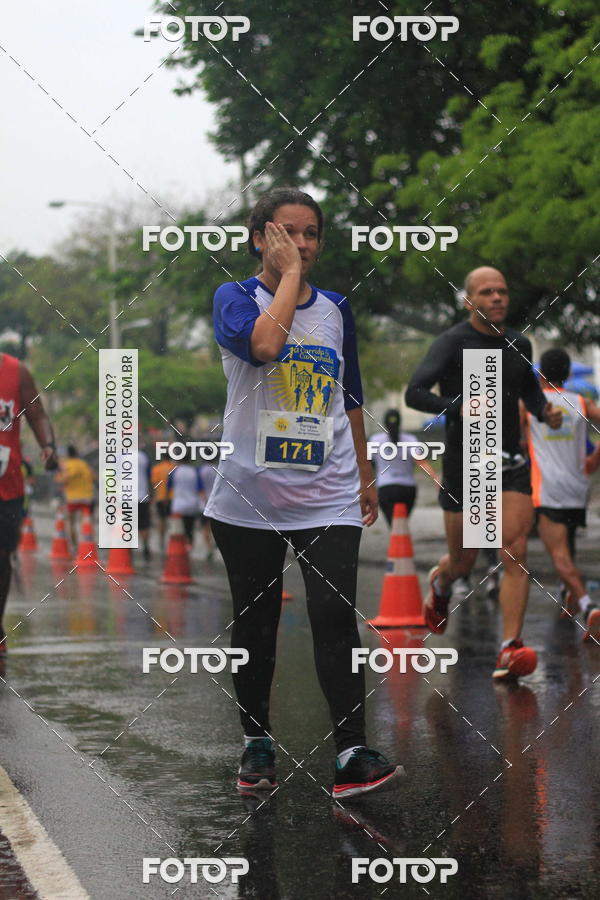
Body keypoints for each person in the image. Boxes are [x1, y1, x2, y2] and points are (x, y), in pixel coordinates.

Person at [204, 187, 403, 798]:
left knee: (334, 615)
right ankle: (256, 742)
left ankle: (351, 753)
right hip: (249, 498)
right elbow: (265, 347)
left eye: (311, 233)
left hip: (329, 492)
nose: (303, 244)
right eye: (288, 232)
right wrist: (288, 275)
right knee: (256, 622)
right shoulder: (233, 298)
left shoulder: (336, 309)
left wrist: (365, 475)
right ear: (259, 236)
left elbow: (350, 396)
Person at [405, 266, 562, 680]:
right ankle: (442, 584)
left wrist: (546, 412)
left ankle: (510, 648)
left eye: (502, 292)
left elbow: (529, 395)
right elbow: (414, 392)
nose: (497, 298)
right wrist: (460, 406)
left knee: (515, 549)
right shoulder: (453, 342)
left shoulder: (518, 343)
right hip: (466, 462)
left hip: (508, 462)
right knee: (464, 562)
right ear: (470, 300)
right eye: (487, 292)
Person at [525, 348, 600, 640]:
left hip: (548, 489)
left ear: (541, 374)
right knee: (567, 544)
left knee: (558, 554)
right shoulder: (582, 401)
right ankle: (569, 593)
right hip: (578, 487)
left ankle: (588, 606)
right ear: (568, 374)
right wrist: (595, 460)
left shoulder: (532, 405)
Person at [0, 353, 57, 653]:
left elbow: (37, 413)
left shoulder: (15, 372)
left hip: (7, 485)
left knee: (3, 557)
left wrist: (48, 445)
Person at [368, 408, 436, 525]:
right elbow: (421, 462)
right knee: (401, 522)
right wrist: (436, 479)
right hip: (407, 489)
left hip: (385, 488)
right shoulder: (410, 439)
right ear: (400, 422)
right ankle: (401, 540)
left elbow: (366, 464)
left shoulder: (375, 440)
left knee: (394, 524)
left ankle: (397, 541)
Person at [55, 445, 95, 549]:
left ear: (67, 454)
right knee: (86, 521)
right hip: (86, 496)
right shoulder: (83, 464)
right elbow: (93, 476)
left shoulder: (66, 465)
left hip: (72, 498)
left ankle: (75, 545)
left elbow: (61, 479)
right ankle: (86, 542)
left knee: (71, 522)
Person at [168, 450, 206, 546]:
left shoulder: (174, 471)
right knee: (190, 528)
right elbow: (200, 489)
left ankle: (181, 547)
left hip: (178, 506)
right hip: (192, 505)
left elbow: (169, 488)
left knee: (179, 530)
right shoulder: (194, 471)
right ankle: (190, 545)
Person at [151, 449, 173, 552]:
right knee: (173, 520)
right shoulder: (174, 468)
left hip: (160, 497)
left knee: (162, 520)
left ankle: (161, 540)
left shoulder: (156, 468)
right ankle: (172, 541)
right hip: (172, 498)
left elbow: (154, 484)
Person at [137, 446, 152, 560]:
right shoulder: (143, 457)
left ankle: (126, 549)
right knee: (144, 524)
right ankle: (146, 546)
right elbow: (149, 477)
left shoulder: (118, 457)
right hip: (142, 496)